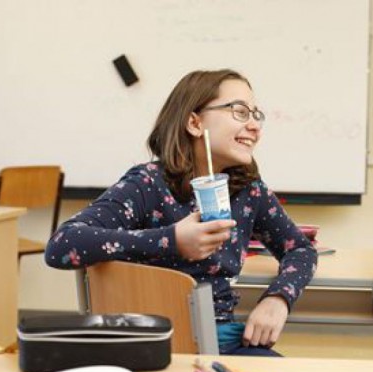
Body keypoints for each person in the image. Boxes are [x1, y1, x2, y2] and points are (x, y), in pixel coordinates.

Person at [45, 69, 318, 356]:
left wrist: (278, 298)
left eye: (255, 114)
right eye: (239, 111)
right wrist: (172, 239)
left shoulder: (249, 191)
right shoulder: (148, 184)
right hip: (147, 344)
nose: (254, 126)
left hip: (220, 342)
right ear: (194, 122)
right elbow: (63, 244)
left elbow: (300, 249)